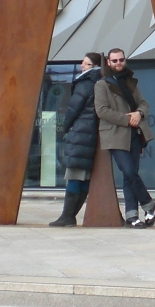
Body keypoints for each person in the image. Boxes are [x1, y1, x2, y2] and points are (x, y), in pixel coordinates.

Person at [95, 47, 155, 227]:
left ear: (125, 60)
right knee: (128, 172)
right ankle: (149, 204)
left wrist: (139, 113)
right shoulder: (102, 84)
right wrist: (127, 120)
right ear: (108, 62)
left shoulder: (130, 81)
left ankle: (132, 216)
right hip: (115, 135)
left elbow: (143, 103)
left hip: (134, 134)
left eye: (121, 60)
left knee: (130, 176)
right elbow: (101, 111)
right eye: (114, 61)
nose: (118, 63)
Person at [49, 52, 104, 227]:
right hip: (91, 132)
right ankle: (70, 216)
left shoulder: (85, 83)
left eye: (86, 63)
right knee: (83, 177)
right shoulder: (99, 82)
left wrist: (64, 128)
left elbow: (73, 108)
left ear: (94, 66)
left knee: (73, 174)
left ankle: (67, 216)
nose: (82, 65)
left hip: (80, 131)